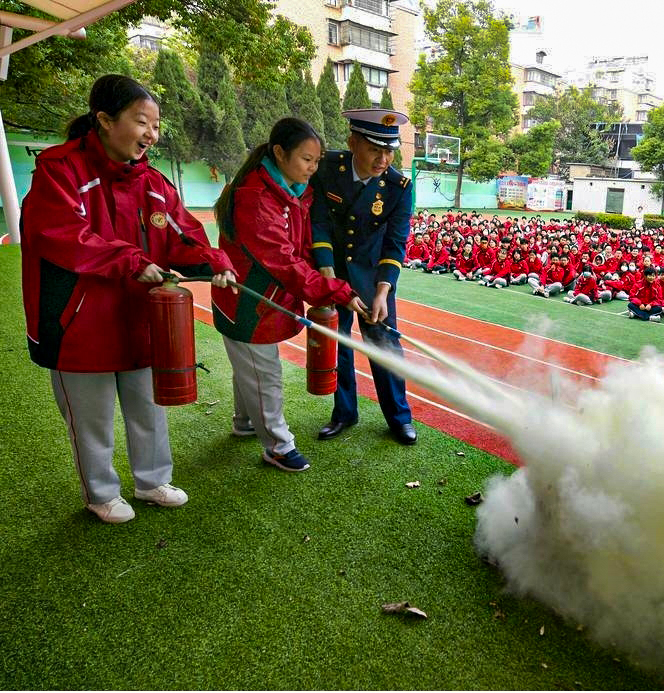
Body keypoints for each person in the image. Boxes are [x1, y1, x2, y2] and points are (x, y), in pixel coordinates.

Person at [20, 74, 236, 523]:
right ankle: (100, 494)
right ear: (103, 120)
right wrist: (131, 259)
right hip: (78, 325)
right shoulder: (59, 169)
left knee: (148, 405)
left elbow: (182, 236)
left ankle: (153, 480)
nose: (151, 135)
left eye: (155, 126)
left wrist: (214, 261)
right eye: (142, 123)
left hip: (139, 319)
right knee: (91, 419)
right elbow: (62, 235)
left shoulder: (154, 183)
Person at [211, 118, 367, 472]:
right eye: (306, 160)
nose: (313, 169)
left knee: (248, 367)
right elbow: (284, 263)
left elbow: (302, 249)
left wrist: (327, 277)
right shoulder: (256, 198)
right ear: (279, 153)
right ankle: (278, 446)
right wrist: (337, 289)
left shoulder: (292, 191)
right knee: (263, 373)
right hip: (248, 302)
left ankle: (244, 422)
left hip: (263, 298)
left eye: (316, 161)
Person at [309, 108, 417, 445]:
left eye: (389, 151)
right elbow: (320, 222)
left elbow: (395, 243)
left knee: (385, 345)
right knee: (338, 343)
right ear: (353, 142)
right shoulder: (328, 169)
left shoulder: (399, 187)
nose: (383, 159)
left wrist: (383, 291)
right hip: (333, 271)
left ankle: (399, 418)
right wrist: (328, 276)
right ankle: (344, 413)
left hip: (374, 279)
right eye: (375, 149)